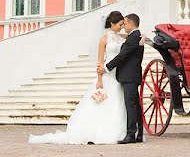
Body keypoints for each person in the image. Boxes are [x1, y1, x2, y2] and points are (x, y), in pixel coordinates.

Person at [28, 11, 128, 145]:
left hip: (118, 74)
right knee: (101, 104)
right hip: (107, 74)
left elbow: (129, 37)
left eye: (122, 25)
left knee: (118, 103)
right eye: (120, 25)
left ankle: (118, 130)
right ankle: (96, 132)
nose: (121, 27)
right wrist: (99, 80)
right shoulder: (104, 39)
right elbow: (99, 62)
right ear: (112, 23)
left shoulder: (119, 36)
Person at [99, 13, 145, 144]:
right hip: (130, 76)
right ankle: (139, 133)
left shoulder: (134, 38)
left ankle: (131, 134)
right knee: (135, 105)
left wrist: (106, 67)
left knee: (131, 105)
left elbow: (122, 56)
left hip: (129, 76)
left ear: (131, 24)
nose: (124, 26)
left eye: (125, 23)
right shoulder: (136, 37)